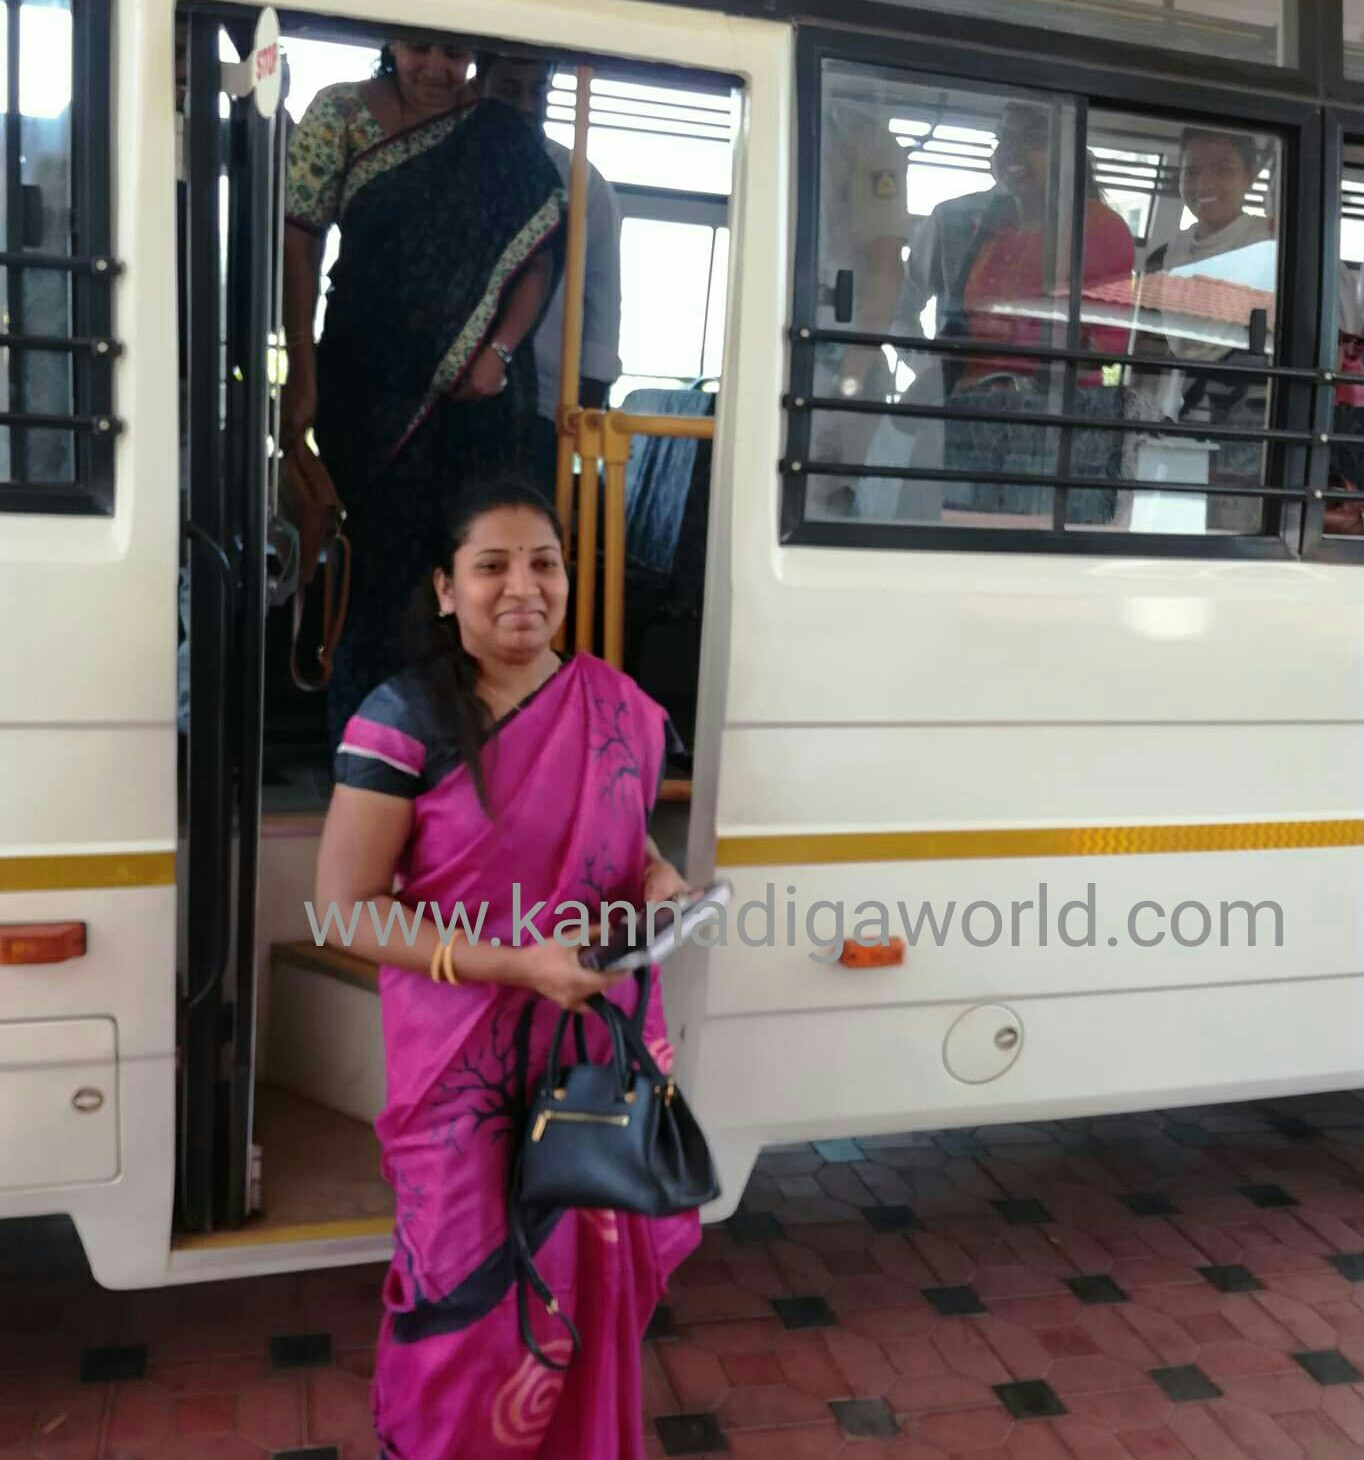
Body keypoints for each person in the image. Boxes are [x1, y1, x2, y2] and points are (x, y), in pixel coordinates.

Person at [313, 473, 701, 1459]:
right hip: (463, 1071)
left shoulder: (617, 707)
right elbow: (344, 907)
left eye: (544, 564)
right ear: (447, 588)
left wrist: (660, 883)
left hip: (588, 1060)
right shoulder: (402, 719)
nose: (522, 587)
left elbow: (627, 851)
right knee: (459, 1291)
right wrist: (514, 964)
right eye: (492, 566)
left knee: (587, 1281)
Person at [282, 38, 567, 750]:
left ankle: (461, 754)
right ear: (391, 42)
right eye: (419, 49)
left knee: (471, 569)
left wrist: (498, 351)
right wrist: (302, 367)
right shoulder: (339, 113)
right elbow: (298, 245)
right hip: (364, 387)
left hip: (477, 403)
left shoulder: (496, 130)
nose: (436, 68)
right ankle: (368, 752)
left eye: (454, 53)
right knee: (374, 575)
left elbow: (537, 254)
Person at [862, 101, 1135, 522]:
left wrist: (1010, 377)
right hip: (969, 417)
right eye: (1004, 139)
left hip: (1047, 430)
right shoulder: (992, 227)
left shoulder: (1097, 226)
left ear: (1069, 153)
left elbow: (1102, 344)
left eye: (1032, 140)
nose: (1012, 152)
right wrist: (937, 376)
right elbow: (964, 325)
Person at [478, 54, 624, 491]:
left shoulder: (582, 181)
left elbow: (603, 296)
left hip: (543, 401)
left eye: (538, 91)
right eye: (509, 90)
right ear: (478, 87)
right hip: (450, 390)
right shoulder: (449, 165)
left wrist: (590, 403)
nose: (525, 105)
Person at [810, 90, 909, 517]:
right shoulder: (796, 119)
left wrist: (851, 377)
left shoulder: (867, 139)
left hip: (840, 356)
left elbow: (887, 269)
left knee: (824, 512)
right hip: (801, 351)